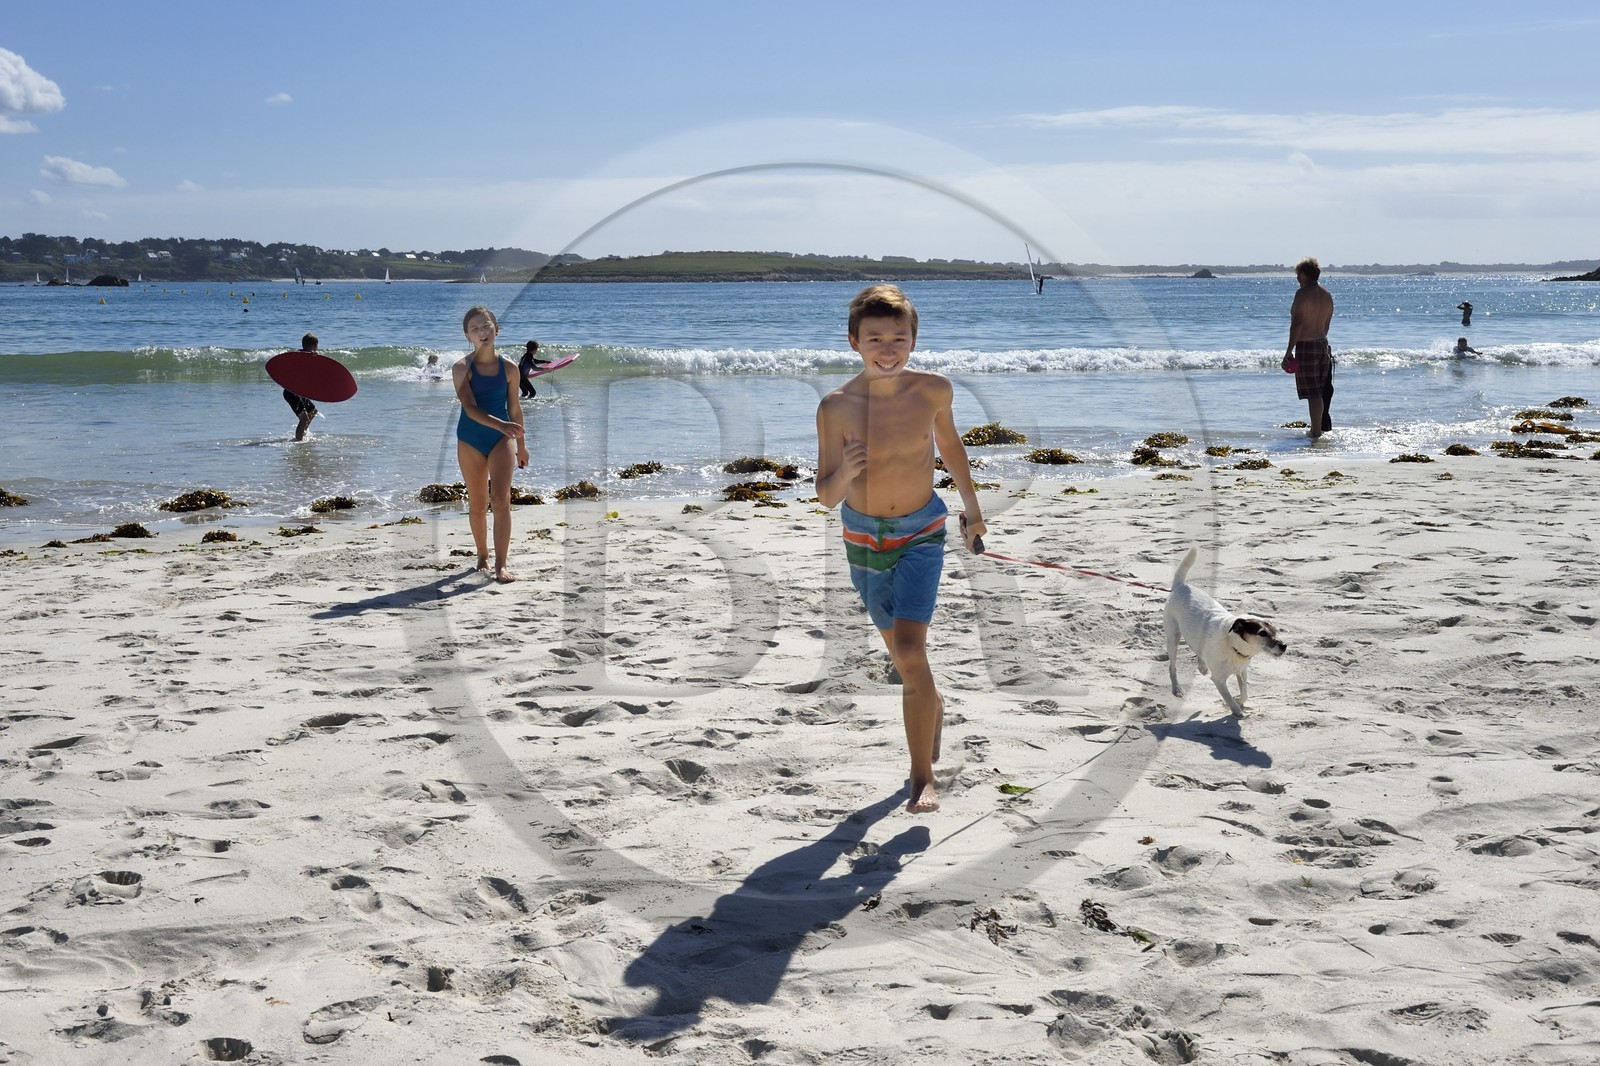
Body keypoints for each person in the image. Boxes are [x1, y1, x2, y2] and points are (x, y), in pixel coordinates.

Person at [815, 285, 987, 814]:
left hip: (921, 533)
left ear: (913, 340)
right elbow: (826, 496)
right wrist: (847, 471)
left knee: (911, 653)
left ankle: (921, 777)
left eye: (898, 338)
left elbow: (951, 447)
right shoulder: (836, 407)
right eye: (875, 339)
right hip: (864, 540)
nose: (887, 350)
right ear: (854, 342)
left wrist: (974, 512)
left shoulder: (933, 390)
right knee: (906, 659)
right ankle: (932, 703)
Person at [453, 306, 528, 582]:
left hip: (501, 439)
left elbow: (515, 408)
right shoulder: (461, 368)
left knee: (501, 500)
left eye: (486, 326)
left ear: (496, 328)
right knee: (478, 503)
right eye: (475, 329)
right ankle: (482, 556)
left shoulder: (509, 368)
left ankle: (501, 565)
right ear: (468, 336)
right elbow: (470, 408)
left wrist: (522, 445)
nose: (482, 332)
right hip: (470, 439)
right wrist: (502, 425)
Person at [1285, 258, 1335, 440]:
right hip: (1322, 343)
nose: (1297, 278)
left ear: (1303, 274)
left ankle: (1316, 432)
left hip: (1306, 345)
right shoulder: (1327, 294)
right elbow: (1326, 325)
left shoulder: (1303, 293)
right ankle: (1318, 428)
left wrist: (1289, 350)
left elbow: (1297, 323)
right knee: (1320, 391)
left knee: (1313, 393)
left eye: (1298, 274)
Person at [284, 332, 322, 441]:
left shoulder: (306, 356)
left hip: (299, 392)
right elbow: (299, 355)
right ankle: (298, 442)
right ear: (315, 345)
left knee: (313, 411)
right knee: (304, 418)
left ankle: (302, 434)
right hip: (291, 392)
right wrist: (311, 355)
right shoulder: (301, 355)